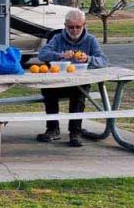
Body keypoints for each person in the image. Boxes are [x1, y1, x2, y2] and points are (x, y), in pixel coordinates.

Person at [35, 9, 108, 147]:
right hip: (58, 82)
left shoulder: (90, 40)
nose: (74, 30)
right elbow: (42, 55)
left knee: (79, 94)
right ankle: (52, 129)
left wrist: (88, 59)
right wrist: (60, 56)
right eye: (71, 27)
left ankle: (75, 132)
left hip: (79, 81)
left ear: (84, 25)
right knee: (48, 90)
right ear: (65, 26)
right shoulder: (57, 38)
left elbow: (103, 61)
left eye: (78, 27)